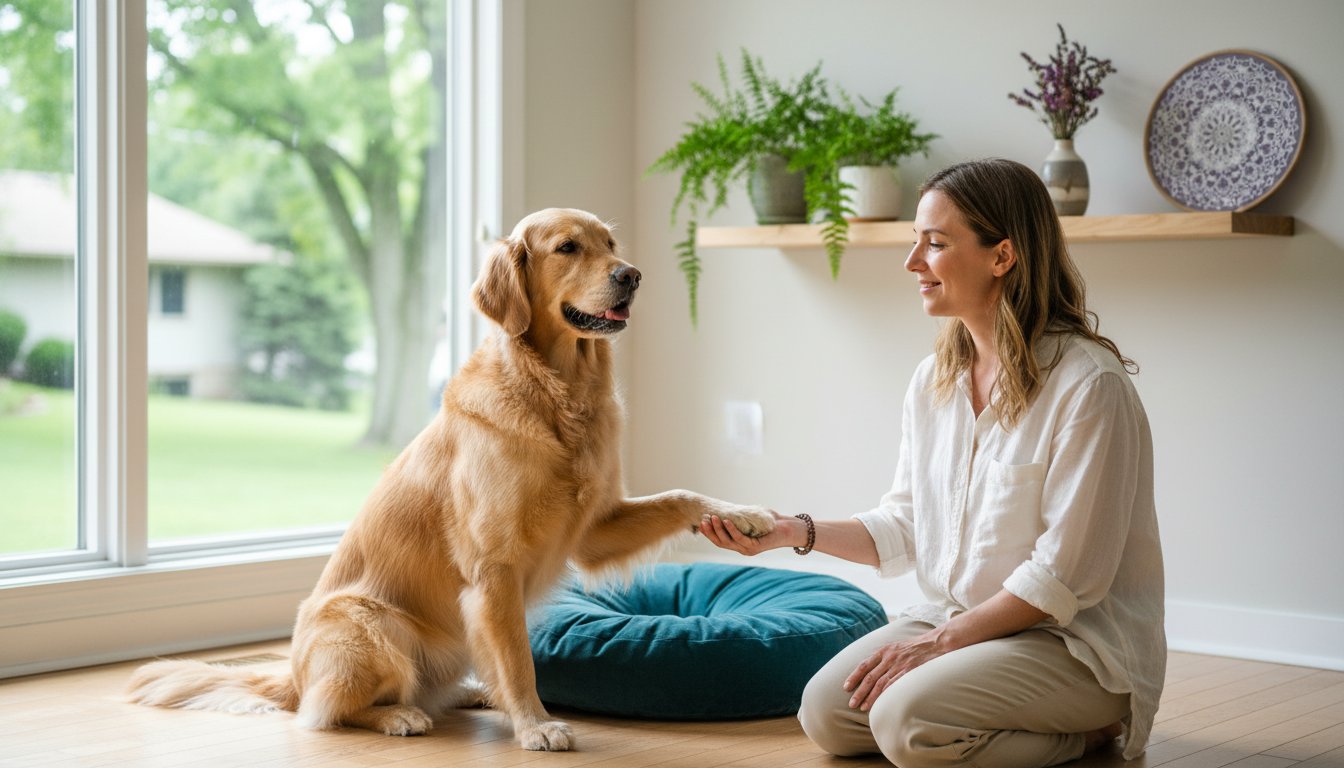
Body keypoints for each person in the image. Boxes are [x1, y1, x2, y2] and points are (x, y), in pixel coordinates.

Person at [699, 157, 1165, 767]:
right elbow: (907, 524)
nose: (912, 262)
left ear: (1002, 255)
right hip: (961, 621)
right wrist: (793, 532)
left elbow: (1065, 577)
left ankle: (1093, 730)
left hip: (1070, 643)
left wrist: (938, 647)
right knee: (827, 714)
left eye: (936, 244)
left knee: (906, 723)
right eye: (915, 241)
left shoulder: (1088, 386)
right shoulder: (935, 381)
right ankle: (983, 716)